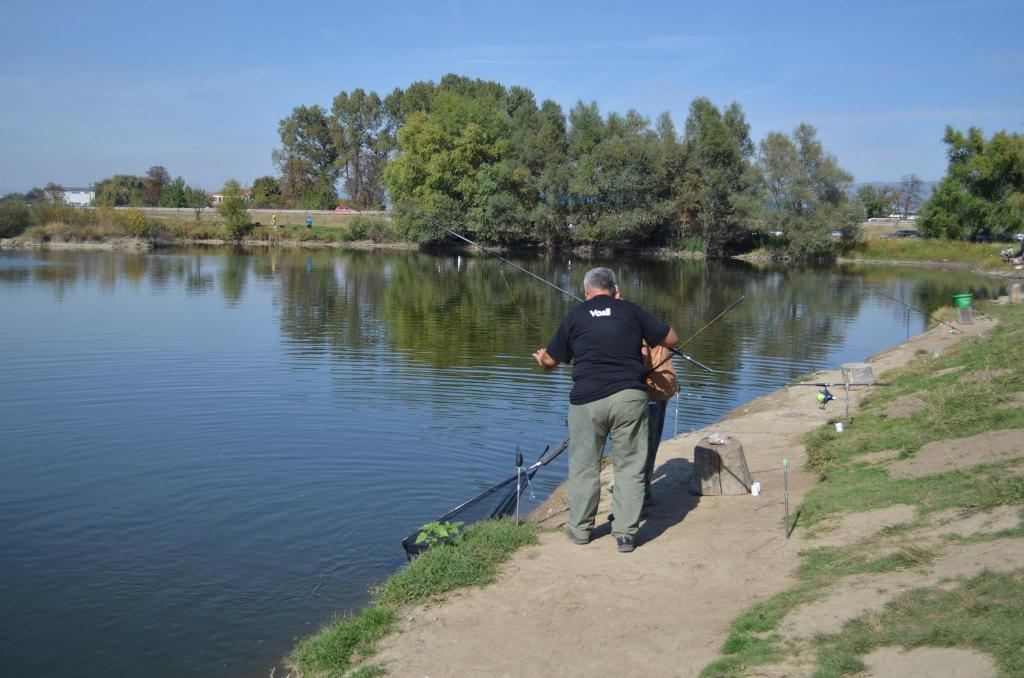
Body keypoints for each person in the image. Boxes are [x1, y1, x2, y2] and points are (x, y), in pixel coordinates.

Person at [533, 267, 678, 553]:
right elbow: (672, 339)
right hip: (629, 397)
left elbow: (551, 362)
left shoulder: (576, 315)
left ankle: (581, 530)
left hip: (587, 401)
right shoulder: (631, 311)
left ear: (586, 292)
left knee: (584, 466)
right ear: (615, 290)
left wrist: (541, 359)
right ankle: (625, 534)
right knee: (630, 466)